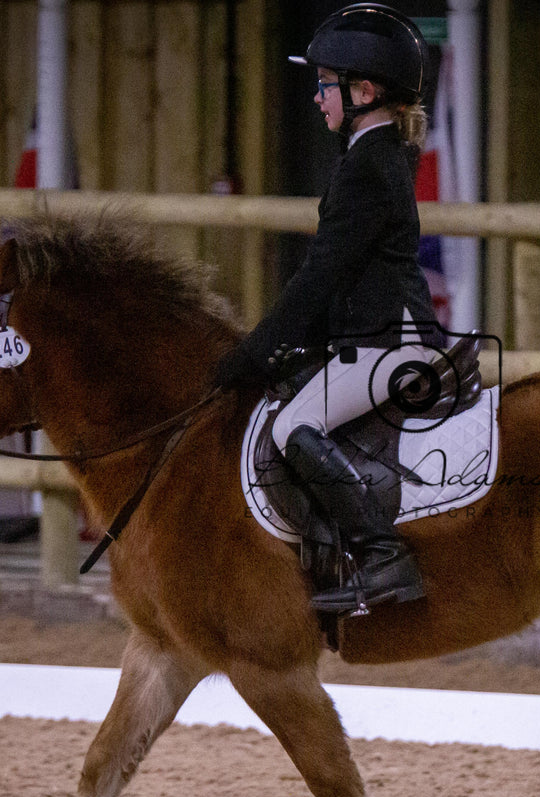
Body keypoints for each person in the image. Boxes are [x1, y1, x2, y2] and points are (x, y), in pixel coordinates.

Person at [211, 3, 444, 614]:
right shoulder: (377, 153)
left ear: (363, 91)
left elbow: (321, 276)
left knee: (292, 428)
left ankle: (384, 558)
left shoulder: (367, 165)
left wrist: (254, 351)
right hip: (377, 335)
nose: (317, 98)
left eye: (324, 84)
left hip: (391, 343)